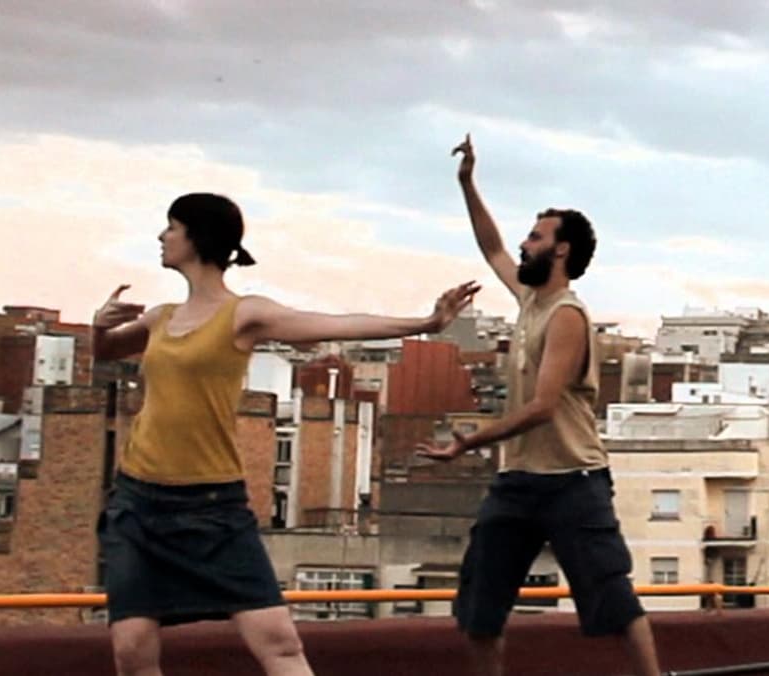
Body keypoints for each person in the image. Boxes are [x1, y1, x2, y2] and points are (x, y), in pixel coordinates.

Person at [91, 192, 479, 676]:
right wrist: (99, 327)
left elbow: (335, 325)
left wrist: (426, 322)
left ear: (197, 237)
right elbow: (105, 352)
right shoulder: (160, 318)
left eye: (171, 227)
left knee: (280, 643)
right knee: (132, 650)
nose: (161, 236)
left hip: (212, 507)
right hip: (139, 503)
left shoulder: (243, 314)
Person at [413, 135, 660, 676]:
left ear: (561, 250)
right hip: (519, 482)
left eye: (536, 236)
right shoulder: (530, 300)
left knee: (612, 600)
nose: (524, 245)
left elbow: (544, 406)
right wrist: (467, 183)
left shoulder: (566, 315)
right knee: (478, 611)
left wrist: (470, 442)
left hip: (573, 480)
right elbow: (492, 248)